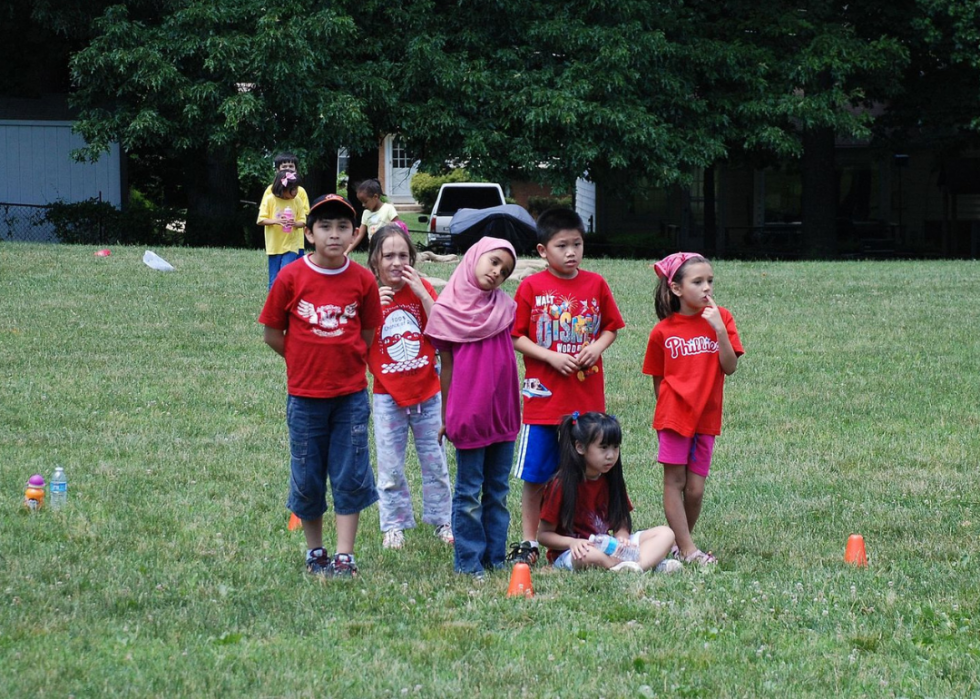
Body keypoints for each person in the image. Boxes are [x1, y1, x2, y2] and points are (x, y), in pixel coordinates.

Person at [258, 194, 383, 578]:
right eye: (325, 227)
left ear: (353, 234)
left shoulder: (362, 279)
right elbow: (271, 332)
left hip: (350, 397)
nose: (334, 234)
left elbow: (367, 333)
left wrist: (345, 362)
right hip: (305, 397)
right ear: (308, 234)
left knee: (350, 473)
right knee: (308, 476)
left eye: (343, 227)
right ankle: (316, 551)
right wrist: (301, 360)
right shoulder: (291, 276)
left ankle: (345, 555)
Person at [508, 207, 625, 566]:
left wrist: (596, 346)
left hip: (586, 404)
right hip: (543, 403)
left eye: (577, 244)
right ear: (543, 251)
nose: (571, 252)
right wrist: (550, 357)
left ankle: (580, 533)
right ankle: (530, 541)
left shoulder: (596, 284)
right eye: (562, 245)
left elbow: (611, 327)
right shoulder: (531, 286)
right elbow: (515, 336)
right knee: (537, 474)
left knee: (582, 471)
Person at [425, 237, 520, 577]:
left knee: (498, 491)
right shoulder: (447, 310)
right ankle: (468, 562)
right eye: (493, 261)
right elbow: (445, 368)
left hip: (504, 413)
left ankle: (495, 559)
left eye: (505, 270)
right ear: (474, 257)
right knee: (468, 494)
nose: (497, 272)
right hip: (469, 414)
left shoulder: (506, 308)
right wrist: (446, 415)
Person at [642, 252, 744, 565]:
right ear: (676, 289)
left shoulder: (722, 317)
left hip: (707, 417)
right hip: (674, 417)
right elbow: (659, 381)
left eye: (710, 281)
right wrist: (671, 411)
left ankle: (677, 543)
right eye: (697, 282)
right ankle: (687, 548)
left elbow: (730, 367)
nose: (706, 288)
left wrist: (720, 331)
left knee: (696, 489)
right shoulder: (662, 331)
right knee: (675, 482)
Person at [366, 224, 454, 550]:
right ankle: (394, 525)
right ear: (375, 260)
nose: (396, 262)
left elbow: (443, 329)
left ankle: (442, 520)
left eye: (403, 255)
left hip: (428, 393)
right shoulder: (369, 293)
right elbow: (358, 343)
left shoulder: (421, 289)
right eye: (388, 255)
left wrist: (421, 293)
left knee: (435, 463)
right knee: (390, 467)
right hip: (388, 395)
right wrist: (371, 307)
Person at [538, 412, 680, 573]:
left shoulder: (611, 478)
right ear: (580, 447)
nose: (611, 455)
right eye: (603, 447)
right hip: (572, 552)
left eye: (615, 447)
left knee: (666, 533)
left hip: (608, 546)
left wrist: (622, 538)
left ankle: (635, 567)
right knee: (587, 555)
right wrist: (572, 543)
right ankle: (644, 564)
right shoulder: (560, 484)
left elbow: (621, 522)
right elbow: (544, 535)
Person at [256, 170, 310, 289]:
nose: (296, 192)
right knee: (274, 279)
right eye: (293, 189)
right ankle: (273, 304)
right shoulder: (270, 199)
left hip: (291, 244)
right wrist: (277, 221)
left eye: (296, 188)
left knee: (285, 274)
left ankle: (286, 301)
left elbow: (303, 221)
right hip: (274, 246)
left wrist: (295, 223)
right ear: (282, 188)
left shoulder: (297, 201)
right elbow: (261, 220)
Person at [346, 178, 401, 255]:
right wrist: (347, 251)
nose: (363, 205)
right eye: (361, 202)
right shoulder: (366, 213)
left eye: (365, 202)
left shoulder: (388, 208)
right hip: (373, 250)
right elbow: (360, 235)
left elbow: (400, 227)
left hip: (389, 249)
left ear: (375, 197)